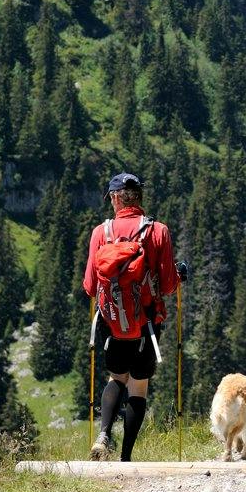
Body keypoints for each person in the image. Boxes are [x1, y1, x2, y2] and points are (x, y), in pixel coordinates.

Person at [83, 172, 183, 462]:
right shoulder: (157, 231)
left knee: (116, 378)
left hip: (112, 323)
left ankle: (103, 434)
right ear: (139, 197)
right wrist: (180, 275)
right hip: (147, 323)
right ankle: (125, 457)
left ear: (115, 198)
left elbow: (90, 286)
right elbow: (168, 285)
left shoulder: (100, 233)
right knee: (138, 386)